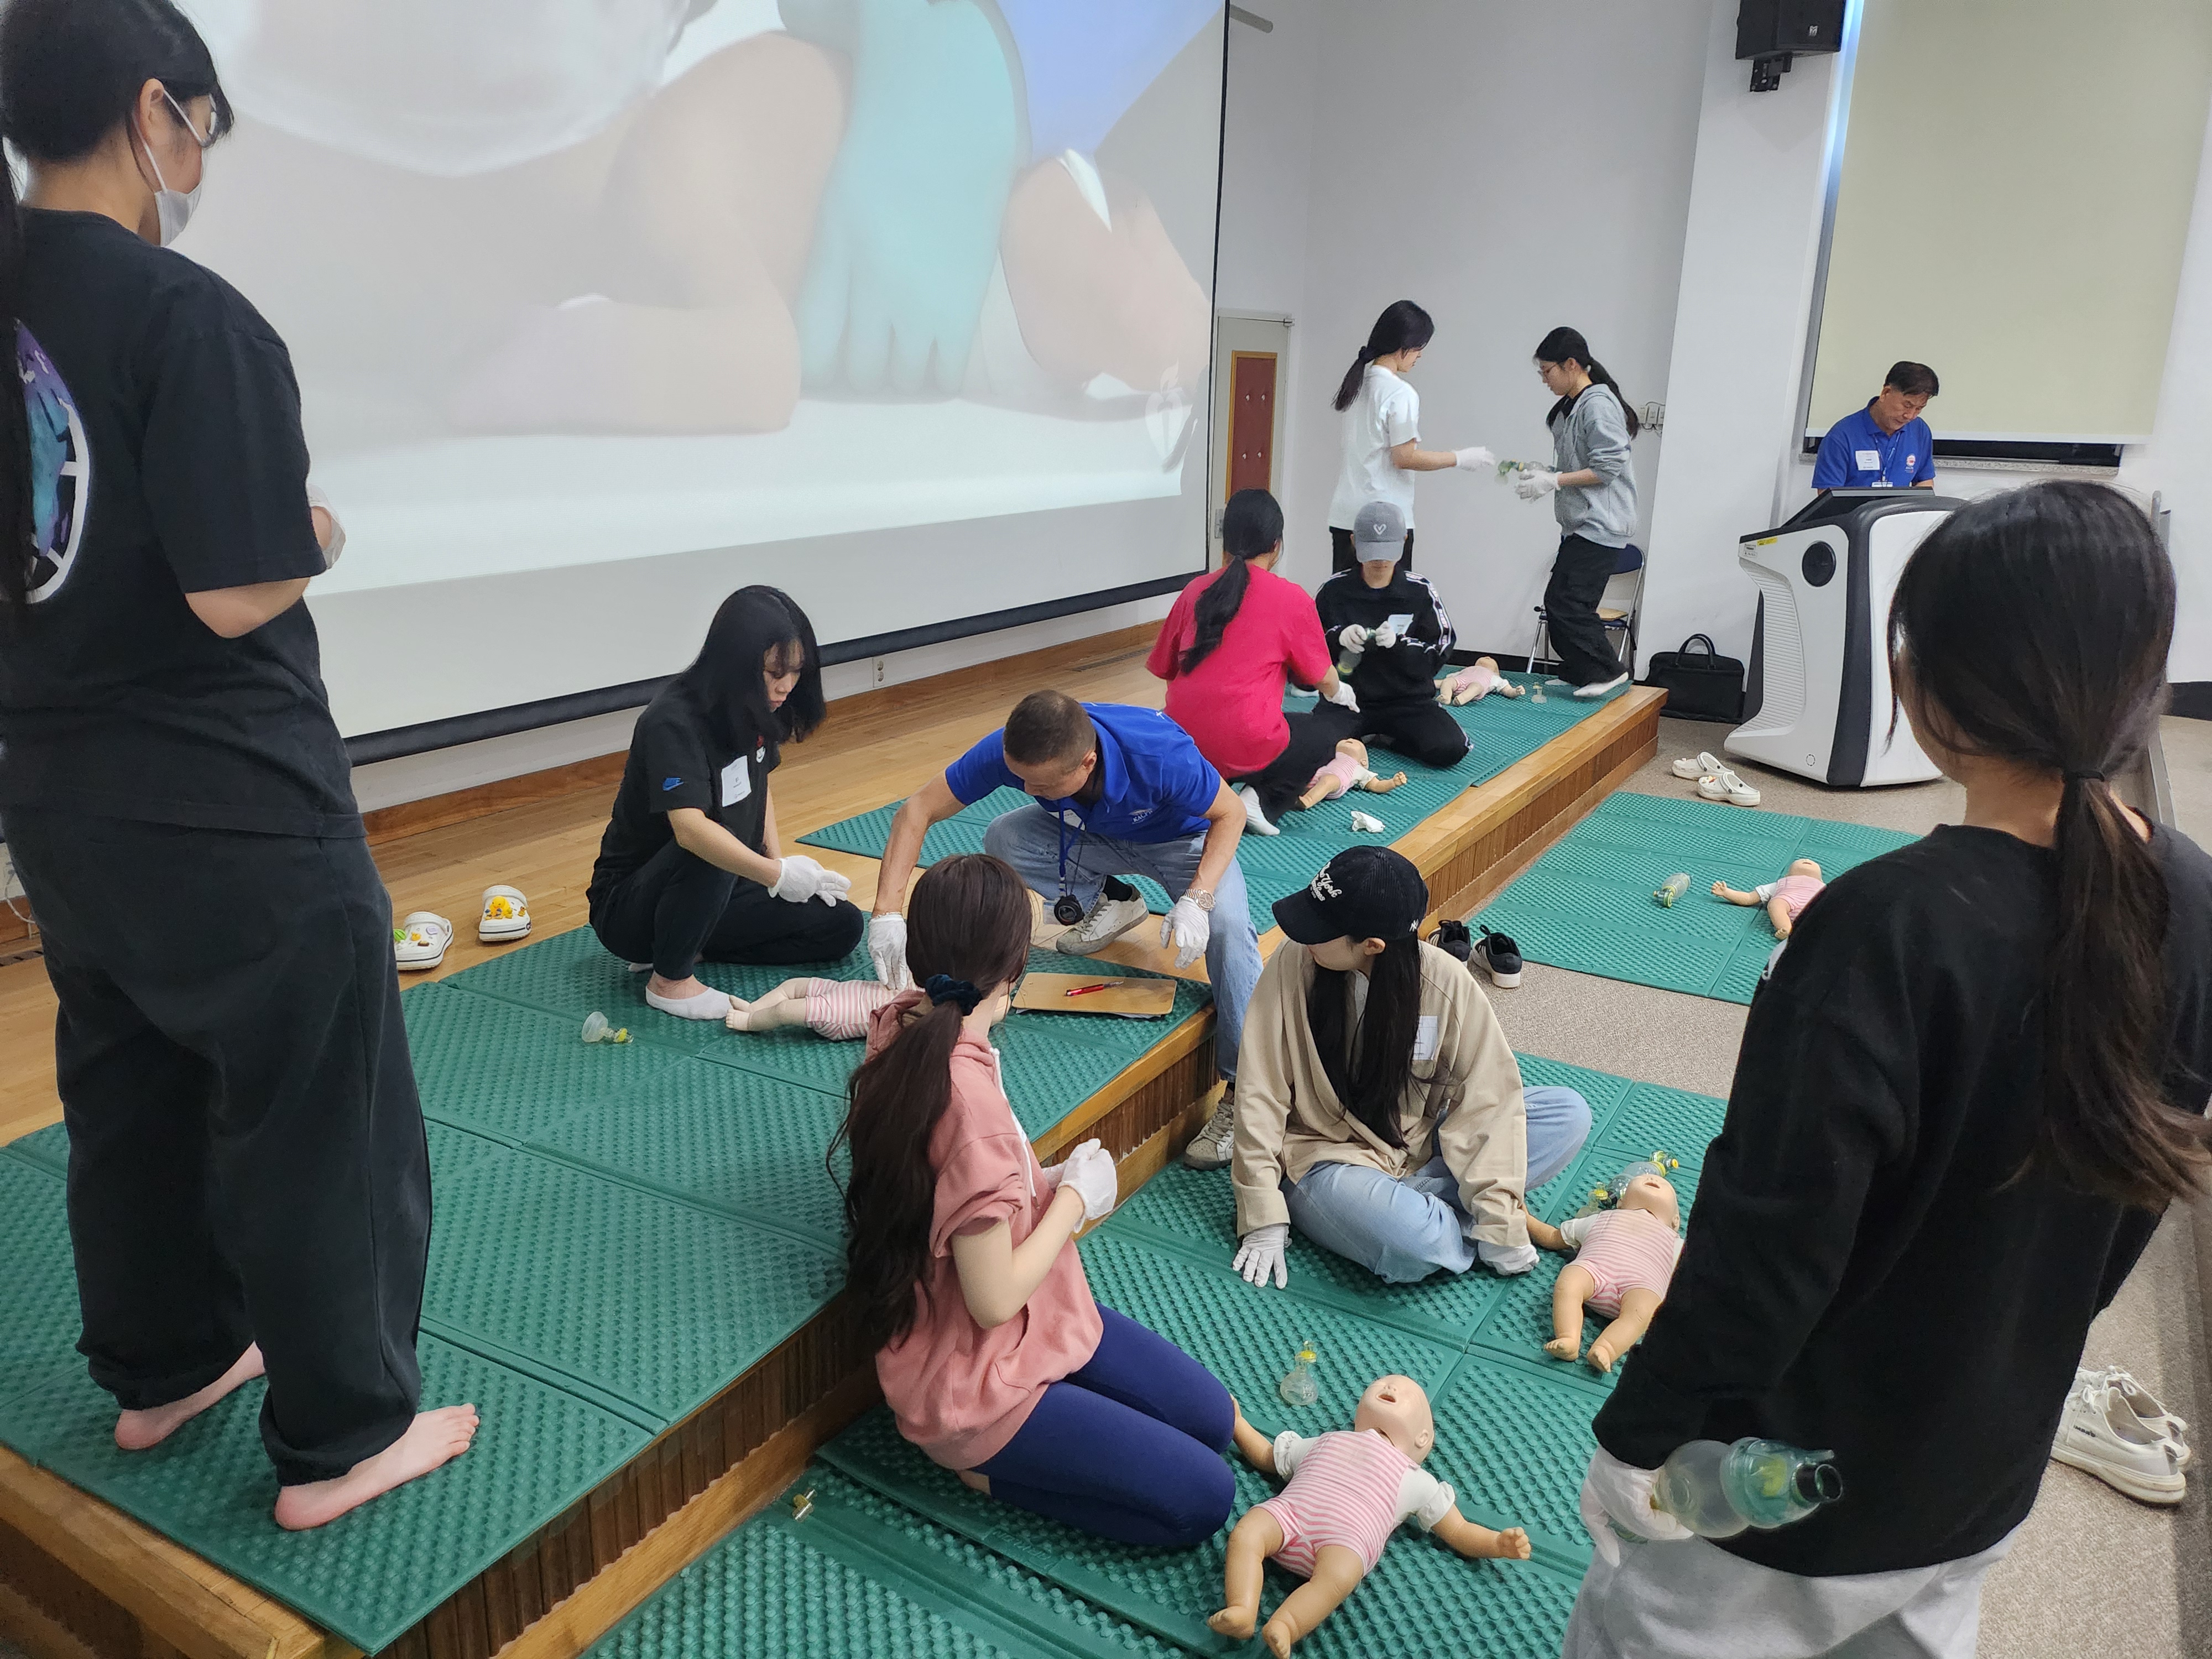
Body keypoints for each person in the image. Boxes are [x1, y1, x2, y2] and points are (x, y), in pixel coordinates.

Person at [1567, 481, 2212, 1658]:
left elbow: (1768, 1243)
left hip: (1777, 1499)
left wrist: (1639, 1435)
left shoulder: (1884, 929)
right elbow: (2128, 1204)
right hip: (1981, 1469)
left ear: (1928, 690)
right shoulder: (2193, 895)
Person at [0, 0, 475, 1530]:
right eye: (202, 125)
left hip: (56, 791)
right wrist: (316, 528)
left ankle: (166, 1368)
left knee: (128, 1088)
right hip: (233, 802)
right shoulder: (186, 315)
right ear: (153, 112)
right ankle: (344, 1438)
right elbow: (234, 584)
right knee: (320, 1113)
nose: (200, 156)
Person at [834, 853, 1235, 1547]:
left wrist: (1041, 1180)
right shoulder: (969, 1106)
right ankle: (981, 1472)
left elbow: (956, 1184)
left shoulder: (906, 1024)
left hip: (1019, 1312)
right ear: (1016, 970)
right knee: (1204, 1502)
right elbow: (992, 1300)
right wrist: (1073, 1201)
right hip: (971, 1375)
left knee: (1212, 1421)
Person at [866, 690, 1262, 1168]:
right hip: (1091, 834)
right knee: (1005, 838)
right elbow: (918, 809)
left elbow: (1232, 812)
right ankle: (1115, 900)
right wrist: (887, 912)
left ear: (1087, 763)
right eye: (1021, 778)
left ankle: (1246, 1092)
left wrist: (1198, 899)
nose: (1026, 788)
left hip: (1184, 841)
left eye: (1041, 784)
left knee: (1229, 928)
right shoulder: (1013, 751)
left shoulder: (1158, 753)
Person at [1225, 847, 1592, 1290]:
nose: (1303, 936)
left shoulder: (1446, 982)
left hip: (1416, 1142)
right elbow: (1259, 1090)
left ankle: (1423, 1211)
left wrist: (1500, 1222)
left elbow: (1490, 1099)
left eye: (1320, 929)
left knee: (1567, 1113)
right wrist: (1262, 1212)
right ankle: (1437, 1214)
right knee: (1418, 1244)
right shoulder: (1295, 962)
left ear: (1372, 946)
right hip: (1324, 1156)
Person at [588, 585, 863, 1019]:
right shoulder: (672, 721)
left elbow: (760, 786)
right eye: (774, 673)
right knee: (711, 840)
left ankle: (689, 944)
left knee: (841, 926)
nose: (787, 686)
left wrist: (778, 864)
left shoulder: (757, 706)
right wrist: (776, 876)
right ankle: (669, 981)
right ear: (737, 663)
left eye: (795, 672)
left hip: (722, 886)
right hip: (630, 908)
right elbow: (690, 832)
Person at [1147, 487, 1357, 835]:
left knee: (1245, 730)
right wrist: (1341, 694)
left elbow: (1168, 670)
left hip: (1183, 744)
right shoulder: (1291, 598)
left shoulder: (1194, 590)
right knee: (1323, 732)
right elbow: (1322, 678)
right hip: (1244, 747)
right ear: (1276, 545)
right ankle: (1260, 801)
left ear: (1225, 542)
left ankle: (1208, 787)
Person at [1512, 326, 1639, 699]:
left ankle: (1608, 671)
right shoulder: (1571, 407)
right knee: (1559, 601)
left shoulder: (1598, 405)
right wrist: (1546, 474)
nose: (1545, 379)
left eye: (1547, 371)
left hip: (1602, 524)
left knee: (1569, 603)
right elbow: (1579, 464)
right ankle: (1580, 672)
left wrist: (1554, 481)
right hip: (1581, 523)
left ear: (1571, 365)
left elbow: (1608, 468)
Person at [1325, 300, 1492, 573]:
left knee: (1345, 596)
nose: (1420, 355)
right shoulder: (1399, 393)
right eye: (1419, 347)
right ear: (1403, 346)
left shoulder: (1356, 387)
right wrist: (1460, 458)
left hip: (1346, 516)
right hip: (1385, 522)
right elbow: (1404, 457)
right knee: (1392, 600)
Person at [1311, 502, 1471, 770]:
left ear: (1405, 540)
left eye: (1387, 551)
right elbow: (1308, 649)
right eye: (1371, 551)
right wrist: (1338, 639)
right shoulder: (1333, 590)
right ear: (1354, 541)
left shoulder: (1420, 591)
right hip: (1346, 700)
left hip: (1408, 702)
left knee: (1450, 748)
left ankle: (1387, 739)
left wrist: (1400, 645)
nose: (1380, 561)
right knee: (1312, 746)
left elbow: (1441, 649)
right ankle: (1366, 737)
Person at [1811, 361, 1939, 492]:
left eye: (1919, 408)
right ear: (1886, 393)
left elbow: (1925, 481)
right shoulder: (1842, 436)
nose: (1910, 416)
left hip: (1900, 507)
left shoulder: (1919, 431)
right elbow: (1827, 495)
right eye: (1907, 405)